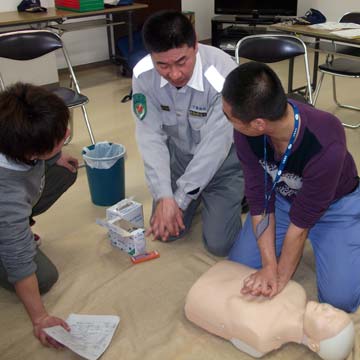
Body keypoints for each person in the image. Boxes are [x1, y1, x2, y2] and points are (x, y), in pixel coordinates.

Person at [221, 61, 360, 312]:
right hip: (285, 198)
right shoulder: (245, 132)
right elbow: (258, 199)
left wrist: (280, 276)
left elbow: (299, 227)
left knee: (340, 301)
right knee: (240, 265)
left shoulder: (326, 141)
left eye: (228, 116)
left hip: (335, 207)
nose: (228, 120)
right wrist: (268, 265)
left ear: (259, 124)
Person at [132, 10, 244, 256]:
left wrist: (179, 199)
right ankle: (195, 199)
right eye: (162, 64)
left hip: (222, 165)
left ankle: (233, 195)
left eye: (181, 61)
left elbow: (215, 147)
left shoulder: (223, 74)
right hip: (180, 160)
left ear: (195, 45)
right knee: (166, 233)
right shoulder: (142, 75)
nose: (174, 74)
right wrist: (164, 196)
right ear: (151, 55)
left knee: (219, 245)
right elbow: (149, 138)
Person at [0, 83, 78, 348]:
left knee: (66, 170)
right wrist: (40, 318)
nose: (67, 134)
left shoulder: (13, 127)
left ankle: (17, 231)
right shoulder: (6, 194)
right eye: (61, 138)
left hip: (17, 196)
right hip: (6, 209)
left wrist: (53, 156)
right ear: (32, 153)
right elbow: (20, 262)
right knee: (42, 277)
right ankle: (11, 236)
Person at [185, 260, 355, 359]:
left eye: (329, 319)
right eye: (336, 311)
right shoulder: (297, 290)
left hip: (200, 294)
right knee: (242, 256)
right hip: (222, 272)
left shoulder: (262, 339)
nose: (328, 308)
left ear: (313, 344)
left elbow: (231, 314)